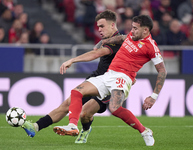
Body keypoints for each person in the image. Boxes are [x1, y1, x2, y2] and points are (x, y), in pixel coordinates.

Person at [57, 15, 167, 146]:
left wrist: (153, 96)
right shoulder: (132, 35)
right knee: (76, 91)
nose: (132, 30)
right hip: (109, 74)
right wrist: (103, 42)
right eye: (132, 27)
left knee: (114, 109)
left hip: (124, 77)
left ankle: (144, 131)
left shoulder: (151, 47)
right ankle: (72, 125)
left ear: (145, 30)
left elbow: (162, 71)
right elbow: (121, 38)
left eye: (136, 28)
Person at [21, 9, 122, 141]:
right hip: (96, 78)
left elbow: (95, 54)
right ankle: (35, 126)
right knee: (66, 105)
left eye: (102, 26)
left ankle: (85, 130)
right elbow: (97, 49)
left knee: (84, 114)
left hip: (108, 85)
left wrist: (73, 60)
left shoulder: (119, 42)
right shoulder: (108, 39)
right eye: (98, 27)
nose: (99, 30)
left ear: (112, 25)